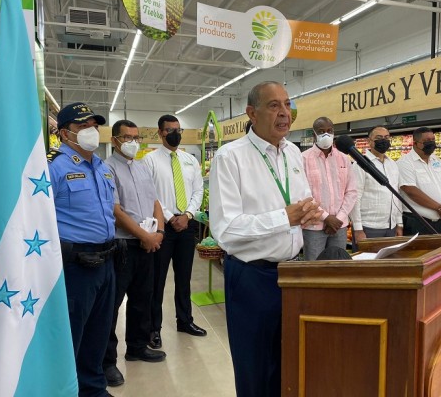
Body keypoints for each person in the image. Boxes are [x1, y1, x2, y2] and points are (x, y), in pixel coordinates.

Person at [209, 81, 322, 397]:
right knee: (254, 369)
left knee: (287, 364)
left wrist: (311, 212)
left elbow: (301, 200)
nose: (285, 113)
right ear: (251, 112)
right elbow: (226, 229)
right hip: (252, 277)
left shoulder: (293, 153)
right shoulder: (230, 157)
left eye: (287, 104)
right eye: (274, 105)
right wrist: (285, 217)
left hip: (293, 273)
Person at [47, 102, 115, 397]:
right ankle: (67, 391)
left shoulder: (102, 166)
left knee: (99, 334)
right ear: (64, 133)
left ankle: (93, 389)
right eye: (82, 126)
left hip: (107, 260)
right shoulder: (52, 166)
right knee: (72, 335)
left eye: (94, 125)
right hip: (75, 264)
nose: (91, 131)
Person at [103, 120, 167, 387]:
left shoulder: (142, 166)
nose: (133, 141)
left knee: (143, 298)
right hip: (123, 246)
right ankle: (106, 362)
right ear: (116, 140)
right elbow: (115, 211)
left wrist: (159, 233)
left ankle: (137, 347)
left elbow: (155, 203)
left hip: (148, 244)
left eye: (137, 137)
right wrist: (144, 236)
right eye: (127, 137)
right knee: (112, 305)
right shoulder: (107, 168)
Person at [143, 114, 206, 347]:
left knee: (184, 277)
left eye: (178, 129)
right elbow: (151, 194)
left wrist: (187, 215)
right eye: (170, 130)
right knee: (157, 280)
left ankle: (185, 320)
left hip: (186, 227)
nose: (175, 134)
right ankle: (153, 328)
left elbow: (198, 190)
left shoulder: (190, 160)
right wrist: (171, 217)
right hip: (163, 228)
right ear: (160, 133)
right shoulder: (149, 161)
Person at [301, 116, 357, 260]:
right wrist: (326, 218)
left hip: (339, 225)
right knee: (314, 269)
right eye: (321, 131)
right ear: (314, 134)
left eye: (329, 131)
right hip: (314, 226)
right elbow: (303, 194)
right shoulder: (303, 159)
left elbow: (351, 191)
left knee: (339, 269)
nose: (326, 134)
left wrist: (338, 218)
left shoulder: (344, 158)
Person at [350, 126, 403, 251]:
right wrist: (358, 229)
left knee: (387, 267)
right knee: (366, 266)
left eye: (386, 138)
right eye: (379, 138)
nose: (383, 141)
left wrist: (399, 223)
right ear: (369, 141)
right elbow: (355, 197)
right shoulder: (360, 165)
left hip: (391, 227)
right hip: (368, 227)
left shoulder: (393, 165)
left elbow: (396, 194)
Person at [396, 126, 441, 235]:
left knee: (438, 252)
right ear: (415, 143)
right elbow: (411, 191)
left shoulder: (436, 160)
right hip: (417, 222)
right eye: (427, 141)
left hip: (440, 221)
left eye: (432, 140)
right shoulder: (405, 163)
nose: (431, 143)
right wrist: (439, 208)